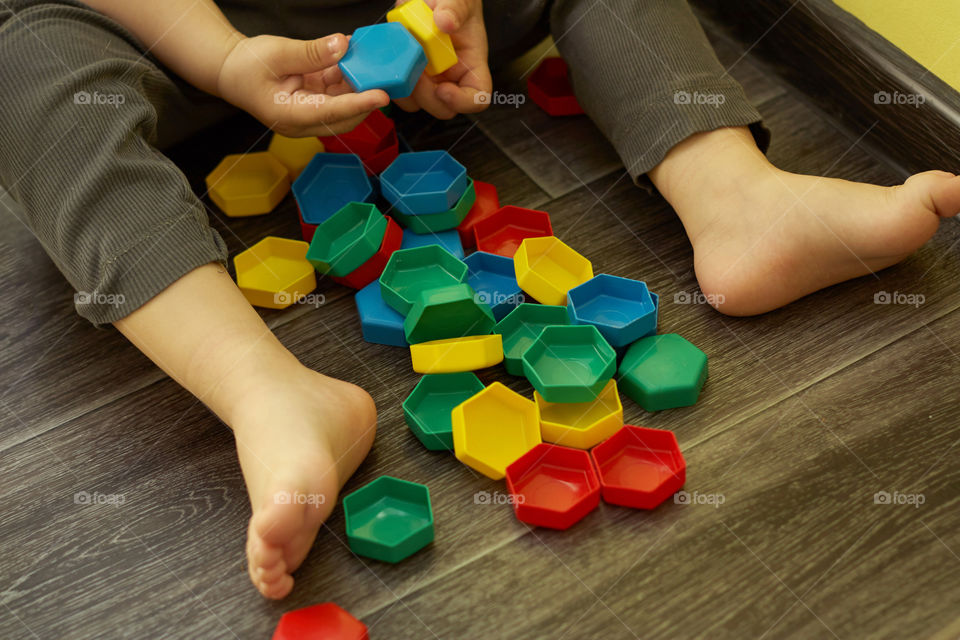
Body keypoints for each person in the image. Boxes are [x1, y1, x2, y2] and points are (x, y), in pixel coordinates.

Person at [1, 0, 957, 599]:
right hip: (165, 34)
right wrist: (217, 55)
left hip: (382, 25)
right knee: (21, 67)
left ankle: (731, 192)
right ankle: (264, 389)